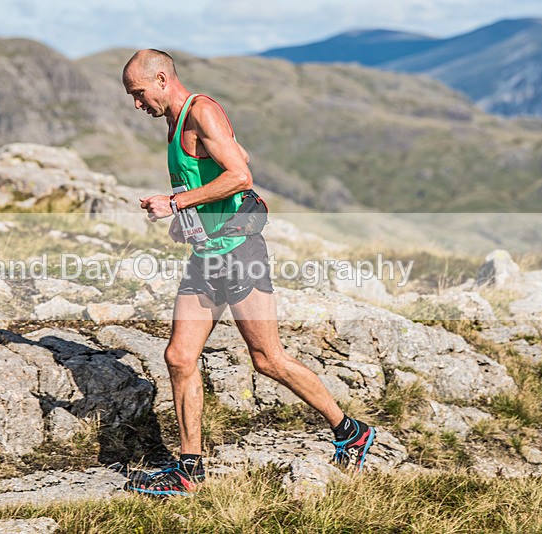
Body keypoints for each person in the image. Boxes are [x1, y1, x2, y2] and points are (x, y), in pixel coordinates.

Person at [121, 49, 375, 496]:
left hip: (241, 252)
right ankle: (189, 470)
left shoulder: (202, 111)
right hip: (208, 253)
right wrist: (193, 217)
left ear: (161, 79)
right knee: (180, 357)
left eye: (138, 93)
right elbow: (234, 153)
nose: (137, 104)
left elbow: (240, 174)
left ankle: (350, 431)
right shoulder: (177, 121)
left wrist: (176, 203)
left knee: (268, 359)